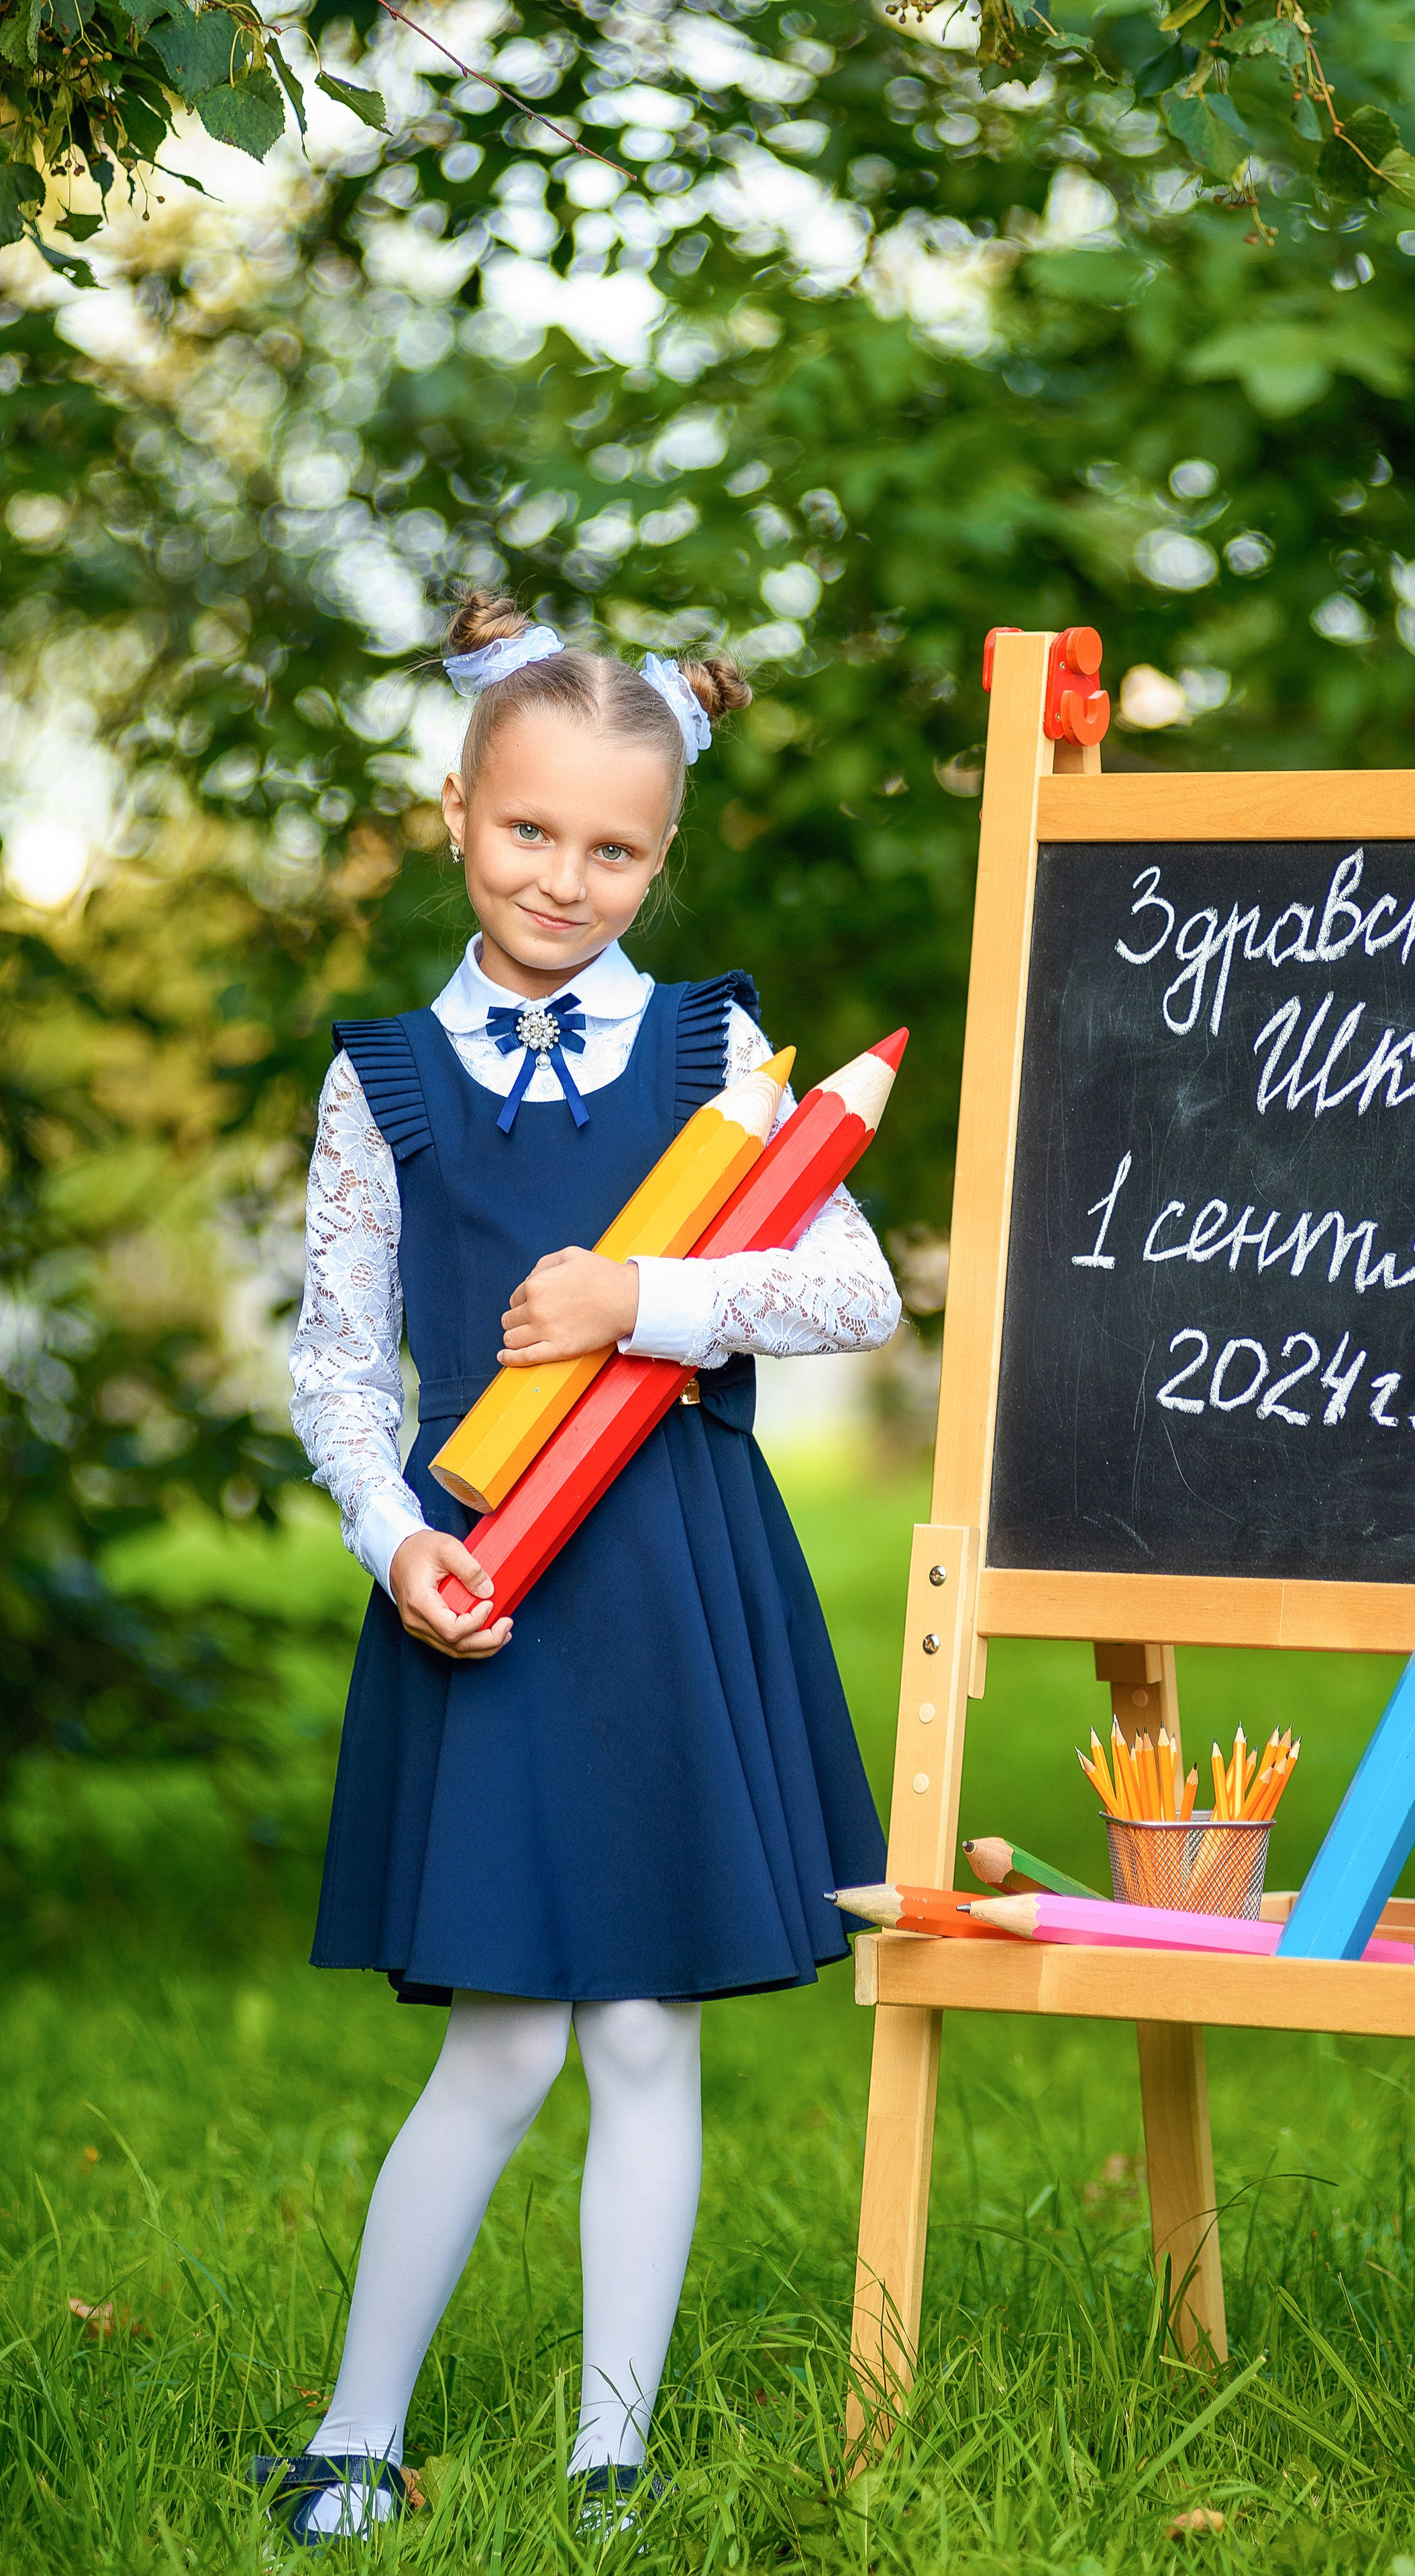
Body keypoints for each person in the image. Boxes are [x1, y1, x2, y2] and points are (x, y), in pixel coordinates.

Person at [266, 592, 896, 2546]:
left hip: (667, 1568)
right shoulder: (383, 1076)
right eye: (530, 828)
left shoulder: (718, 1050)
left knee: (640, 2029)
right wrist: (394, 1542)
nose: (565, 877)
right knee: (501, 2040)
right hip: (489, 1575)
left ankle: (609, 2461)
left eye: (614, 848)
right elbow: (337, 1365)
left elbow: (852, 1286)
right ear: (459, 810)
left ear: (663, 852)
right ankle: (355, 2434)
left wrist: (649, 1298)